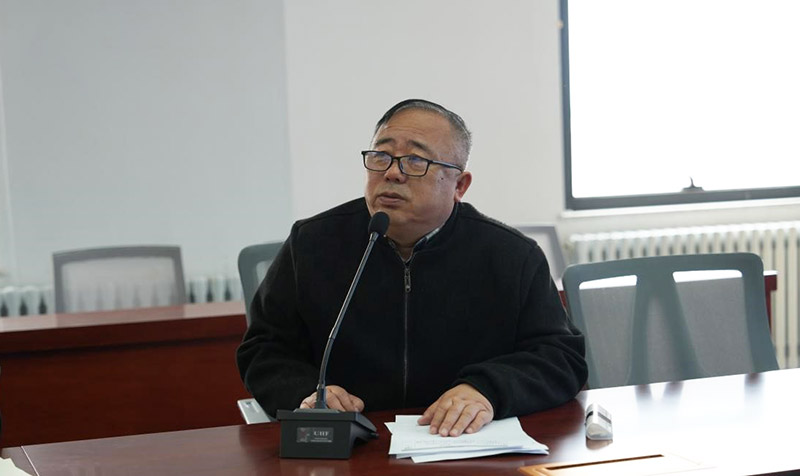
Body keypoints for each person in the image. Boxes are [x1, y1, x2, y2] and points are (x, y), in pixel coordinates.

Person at [237, 99, 587, 437]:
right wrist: (306, 392)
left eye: (415, 161)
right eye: (381, 157)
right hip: (351, 442)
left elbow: (561, 357)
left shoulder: (512, 257)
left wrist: (487, 390)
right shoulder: (312, 244)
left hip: (461, 444)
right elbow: (264, 348)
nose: (392, 173)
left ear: (459, 185)